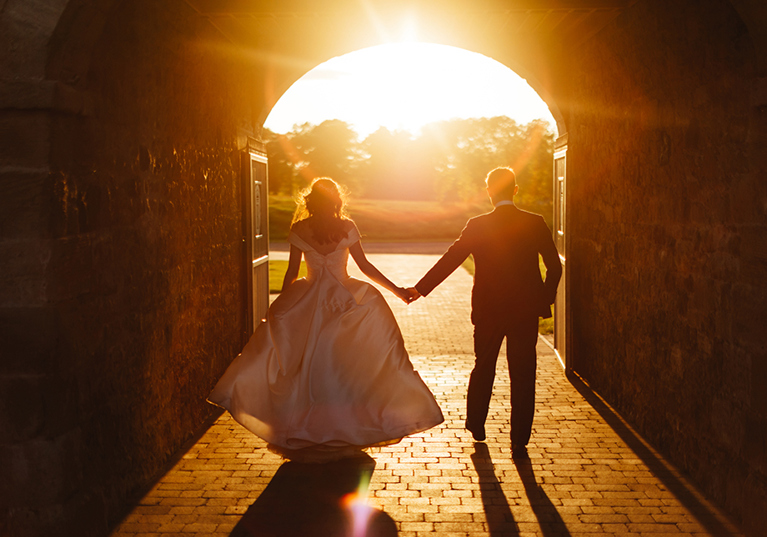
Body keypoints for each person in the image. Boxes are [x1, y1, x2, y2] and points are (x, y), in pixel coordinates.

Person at [208, 178, 443, 462]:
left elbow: (292, 272)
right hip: (345, 303)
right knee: (344, 367)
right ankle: (346, 424)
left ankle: (309, 426)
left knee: (309, 367)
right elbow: (365, 266)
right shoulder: (346, 227)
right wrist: (398, 291)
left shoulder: (300, 229)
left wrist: (283, 305)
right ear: (335, 200)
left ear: (311, 200)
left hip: (308, 302)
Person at [408, 167, 561, 458]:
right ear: (515, 190)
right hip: (524, 310)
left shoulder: (477, 224)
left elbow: (452, 258)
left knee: (483, 366)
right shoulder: (535, 222)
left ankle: (477, 425)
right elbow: (555, 267)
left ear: (489, 190)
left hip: (488, 310)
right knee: (524, 372)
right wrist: (542, 301)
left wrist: (420, 288)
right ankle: (519, 439)